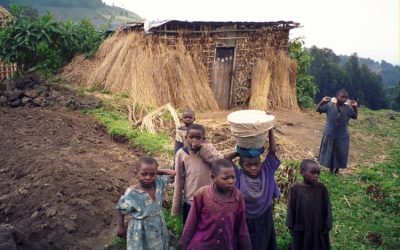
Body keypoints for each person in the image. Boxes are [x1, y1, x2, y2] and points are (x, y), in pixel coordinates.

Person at [225, 128, 280, 250]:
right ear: (241, 165)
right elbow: (226, 158)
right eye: (248, 165)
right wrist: (241, 152)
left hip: (264, 217)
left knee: (264, 243)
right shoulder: (238, 176)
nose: (253, 168)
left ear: (261, 163)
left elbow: (273, 151)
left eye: (256, 164)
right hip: (245, 220)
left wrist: (270, 129)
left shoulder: (267, 171)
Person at [179, 159, 252, 250]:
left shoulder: (238, 197)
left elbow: (242, 227)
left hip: (225, 245)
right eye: (225, 178)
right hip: (201, 245)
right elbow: (191, 222)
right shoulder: (202, 194)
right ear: (213, 178)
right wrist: (182, 245)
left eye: (233, 177)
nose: (230, 181)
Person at [116, 157, 176, 250]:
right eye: (144, 174)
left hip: (158, 224)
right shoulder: (132, 193)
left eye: (152, 174)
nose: (148, 177)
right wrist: (120, 227)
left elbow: (173, 173)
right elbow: (121, 209)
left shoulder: (159, 183)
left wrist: (155, 170)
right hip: (140, 229)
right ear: (136, 174)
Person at [171, 123, 220, 225]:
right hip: (191, 199)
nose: (194, 140)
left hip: (210, 197)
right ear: (186, 138)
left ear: (204, 138)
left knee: (208, 227)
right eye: (191, 137)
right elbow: (179, 179)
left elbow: (219, 164)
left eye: (198, 137)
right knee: (191, 227)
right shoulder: (181, 153)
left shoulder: (209, 148)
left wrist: (203, 151)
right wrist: (176, 207)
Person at [286, 159, 332, 250]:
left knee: (318, 245)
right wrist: (290, 225)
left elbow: (327, 207)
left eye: (318, 173)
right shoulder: (295, 188)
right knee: (301, 245)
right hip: (301, 227)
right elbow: (291, 207)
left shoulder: (321, 188)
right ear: (302, 172)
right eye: (313, 173)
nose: (316, 176)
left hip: (318, 227)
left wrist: (327, 224)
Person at [316, 89, 358, 174]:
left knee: (340, 151)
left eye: (346, 97)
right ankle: (331, 168)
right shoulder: (329, 106)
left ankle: (337, 169)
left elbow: (355, 116)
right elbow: (318, 109)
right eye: (342, 97)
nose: (344, 99)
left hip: (343, 135)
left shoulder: (348, 108)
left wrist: (355, 107)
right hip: (330, 133)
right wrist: (322, 101)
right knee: (330, 150)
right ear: (336, 97)